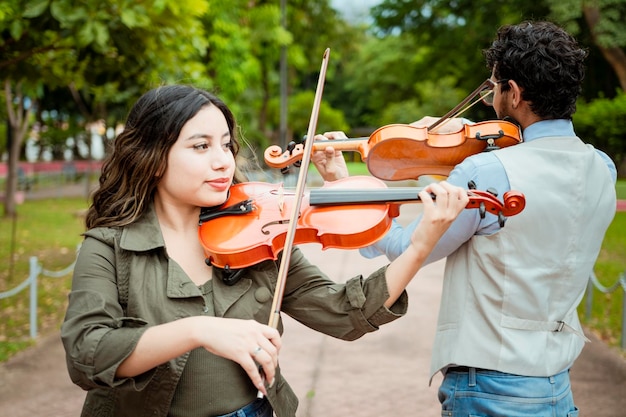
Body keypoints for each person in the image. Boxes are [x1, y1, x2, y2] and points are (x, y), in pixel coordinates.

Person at [60, 84, 469, 417]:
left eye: (225, 144)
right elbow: (86, 353)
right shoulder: (109, 247)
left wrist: (419, 245)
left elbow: (344, 313)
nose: (223, 161)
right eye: (200, 146)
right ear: (152, 158)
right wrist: (197, 330)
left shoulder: (260, 232)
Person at [312, 21, 617, 416]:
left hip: (491, 381)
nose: (489, 102)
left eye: (494, 89)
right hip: (557, 382)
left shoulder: (489, 172)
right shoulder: (602, 167)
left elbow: (408, 247)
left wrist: (341, 183)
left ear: (516, 93)